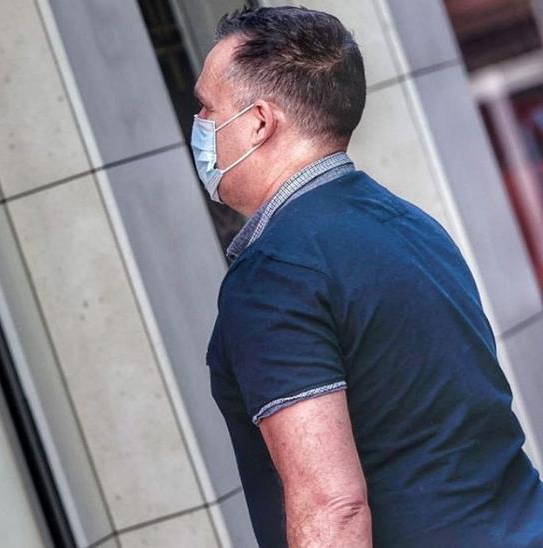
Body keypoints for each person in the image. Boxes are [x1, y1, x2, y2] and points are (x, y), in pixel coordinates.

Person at [197, 6, 543, 547]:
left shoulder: (274, 278)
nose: (199, 126)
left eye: (206, 108)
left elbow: (332, 509)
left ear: (260, 122)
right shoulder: (411, 225)